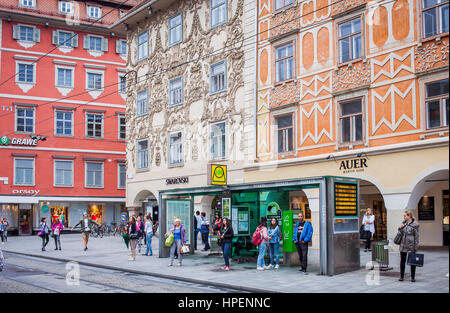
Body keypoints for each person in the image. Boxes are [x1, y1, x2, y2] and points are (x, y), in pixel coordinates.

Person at [398, 210, 419, 282]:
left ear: (409, 216)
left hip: (411, 244)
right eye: (403, 216)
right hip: (403, 244)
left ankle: (413, 277)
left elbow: (416, 236)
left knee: (412, 261)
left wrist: (416, 246)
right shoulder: (403, 223)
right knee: (402, 261)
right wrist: (400, 228)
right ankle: (401, 276)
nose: (404, 217)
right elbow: (400, 233)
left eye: (405, 216)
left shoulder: (415, 224)